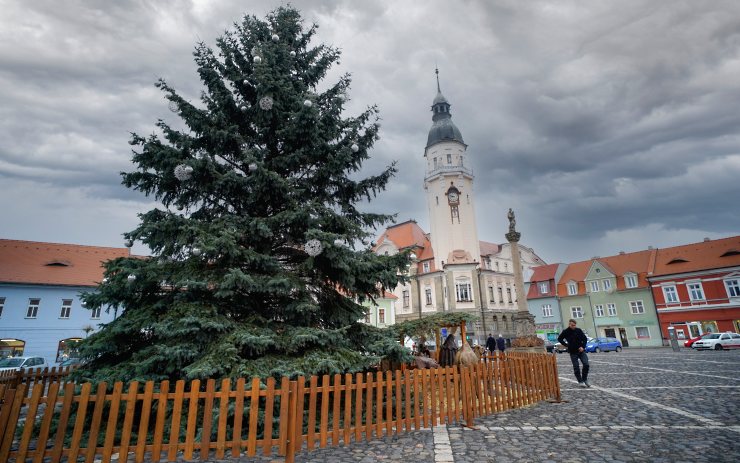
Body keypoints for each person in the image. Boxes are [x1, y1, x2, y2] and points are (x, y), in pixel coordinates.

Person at [557, 319, 590, 387]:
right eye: (572, 325)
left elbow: (585, 339)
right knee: (576, 367)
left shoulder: (578, 330)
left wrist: (583, 347)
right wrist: (566, 345)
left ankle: (584, 379)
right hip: (573, 352)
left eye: (575, 325)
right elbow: (559, 339)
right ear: (569, 325)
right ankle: (580, 381)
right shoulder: (566, 331)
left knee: (586, 364)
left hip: (581, 350)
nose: (574, 326)